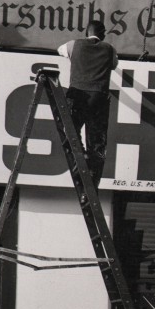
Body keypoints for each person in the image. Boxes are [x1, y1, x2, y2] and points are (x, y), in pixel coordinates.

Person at [57, 20, 118, 187]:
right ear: (102, 33)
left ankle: (80, 154)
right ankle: (93, 177)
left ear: (86, 31)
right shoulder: (109, 49)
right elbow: (114, 65)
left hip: (78, 95)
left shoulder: (74, 45)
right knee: (97, 141)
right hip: (99, 97)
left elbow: (60, 50)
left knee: (70, 128)